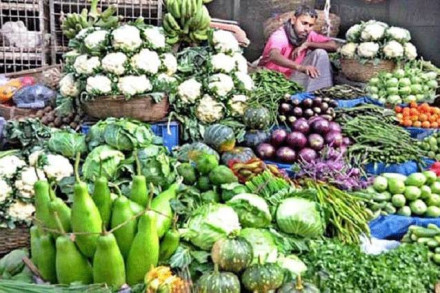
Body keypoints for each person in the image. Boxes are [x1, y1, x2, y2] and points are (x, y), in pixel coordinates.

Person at [259, 5, 339, 92]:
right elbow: (274, 55)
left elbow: (333, 46)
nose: (306, 29)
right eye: (304, 23)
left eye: (310, 25)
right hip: (274, 80)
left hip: (293, 76)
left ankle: (321, 94)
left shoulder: (308, 35)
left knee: (320, 53)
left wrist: (308, 44)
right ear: (293, 20)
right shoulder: (280, 36)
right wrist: (300, 67)